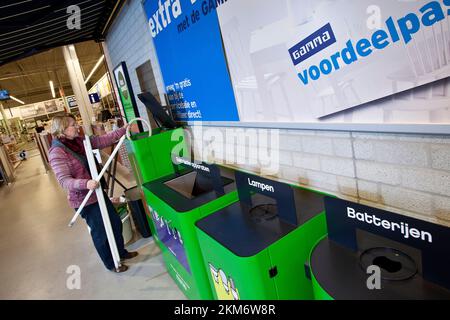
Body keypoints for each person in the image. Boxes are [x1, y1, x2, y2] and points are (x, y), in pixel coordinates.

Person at [48, 114, 137, 273]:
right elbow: (64, 180)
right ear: (62, 130)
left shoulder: (81, 141)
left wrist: (123, 130)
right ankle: (111, 264)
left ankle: (120, 253)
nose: (77, 127)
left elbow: (104, 140)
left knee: (115, 222)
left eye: (76, 124)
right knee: (101, 233)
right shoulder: (57, 152)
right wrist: (85, 183)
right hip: (84, 199)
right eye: (73, 125)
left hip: (97, 193)